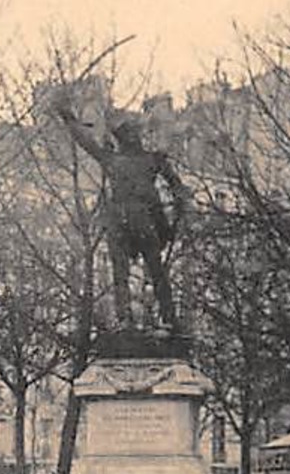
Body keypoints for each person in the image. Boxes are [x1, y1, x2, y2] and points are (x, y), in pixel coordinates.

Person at [53, 97, 190, 329]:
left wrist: (69, 119)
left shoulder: (114, 160)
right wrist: (178, 208)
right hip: (141, 219)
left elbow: (86, 142)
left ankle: (127, 318)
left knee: (123, 273)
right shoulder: (151, 160)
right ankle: (166, 317)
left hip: (121, 219)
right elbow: (179, 188)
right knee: (154, 270)